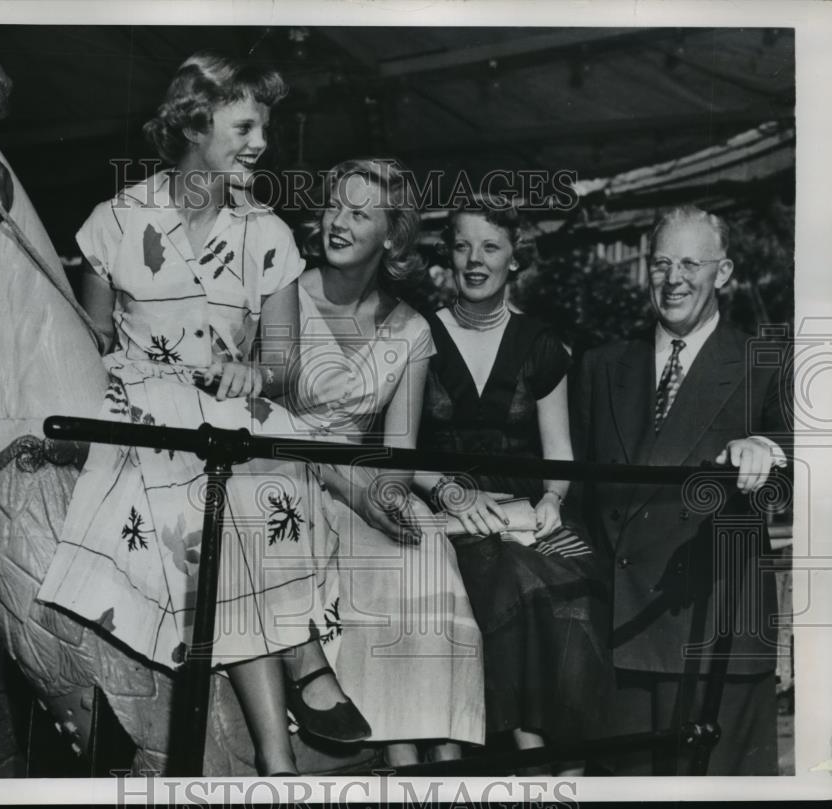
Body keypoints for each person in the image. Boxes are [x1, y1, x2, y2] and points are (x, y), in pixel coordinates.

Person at [36, 53, 369, 777]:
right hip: (142, 408)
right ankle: (301, 674)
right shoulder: (115, 221)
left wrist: (254, 366)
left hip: (229, 408)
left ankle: (278, 749)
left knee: (256, 480)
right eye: (245, 125)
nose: (261, 142)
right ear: (194, 123)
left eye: (265, 128)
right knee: (213, 503)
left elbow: (280, 364)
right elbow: (88, 344)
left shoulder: (269, 235)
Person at [571, 205, 791, 775]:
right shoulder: (599, 366)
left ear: (723, 273)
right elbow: (573, 495)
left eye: (691, 263)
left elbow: (802, 458)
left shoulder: (765, 361)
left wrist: (765, 448)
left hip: (715, 635)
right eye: (662, 263)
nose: (674, 279)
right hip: (615, 638)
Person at [283, 158, 485, 767]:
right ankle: (398, 758)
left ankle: (446, 764)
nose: (338, 223)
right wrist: (357, 493)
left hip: (369, 483)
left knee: (422, 549)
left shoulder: (412, 330)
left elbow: (399, 452)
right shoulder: (279, 298)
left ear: (392, 236)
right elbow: (266, 425)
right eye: (334, 207)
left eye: (359, 213)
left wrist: (390, 498)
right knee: (370, 566)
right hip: (287, 475)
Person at [413, 202, 613, 775]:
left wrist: (553, 500)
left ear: (514, 258)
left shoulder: (542, 343)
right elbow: (398, 450)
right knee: (513, 582)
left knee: (577, 583)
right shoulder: (415, 336)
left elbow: (560, 457)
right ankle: (532, 761)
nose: (475, 261)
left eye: (491, 247)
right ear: (447, 256)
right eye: (462, 246)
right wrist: (454, 494)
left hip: (528, 511)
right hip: (451, 513)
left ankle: (570, 764)